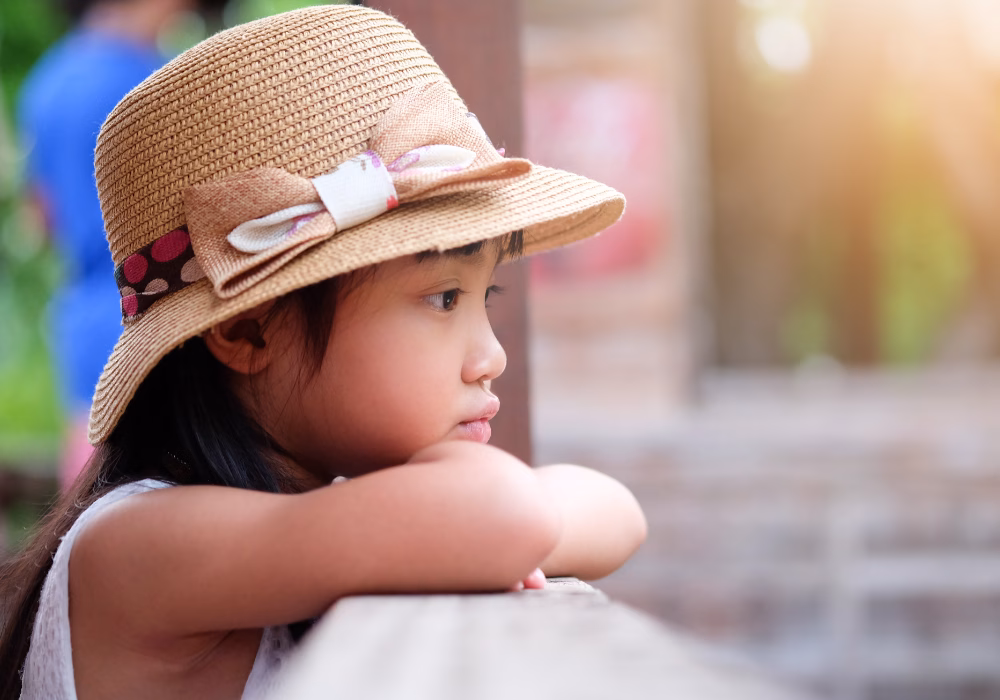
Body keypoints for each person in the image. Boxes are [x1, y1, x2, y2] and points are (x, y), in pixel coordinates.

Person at [0, 5, 647, 699]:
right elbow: (507, 515)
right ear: (248, 331)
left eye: (484, 297)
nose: (490, 358)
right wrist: (477, 513)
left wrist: (484, 518)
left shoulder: (314, 502)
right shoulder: (137, 542)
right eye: (443, 299)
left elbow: (617, 513)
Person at [18, 0, 223, 490]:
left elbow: (42, 218)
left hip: (85, 308)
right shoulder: (164, 80)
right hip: (169, 305)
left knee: (90, 495)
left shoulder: (46, 83)